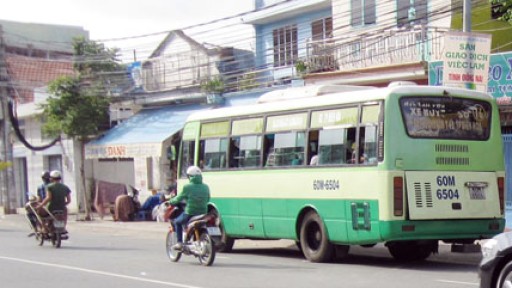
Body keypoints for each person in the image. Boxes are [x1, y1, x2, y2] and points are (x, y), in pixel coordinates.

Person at [169, 166, 210, 250]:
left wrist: (171, 201)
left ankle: (179, 243)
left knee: (177, 222)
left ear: (189, 176)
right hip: (203, 212)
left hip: (190, 212)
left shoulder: (187, 187)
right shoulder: (206, 187)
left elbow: (178, 198)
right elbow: (208, 199)